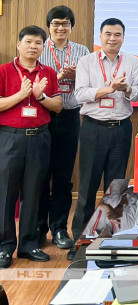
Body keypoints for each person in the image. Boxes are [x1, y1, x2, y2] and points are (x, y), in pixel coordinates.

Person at [71, 18, 138, 259]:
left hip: (121, 129)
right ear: (100, 36)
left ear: (123, 37)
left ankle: (111, 239)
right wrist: (109, 89)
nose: (113, 39)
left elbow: (137, 94)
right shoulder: (86, 61)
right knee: (88, 187)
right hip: (93, 128)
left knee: (116, 188)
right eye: (108, 34)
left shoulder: (132, 62)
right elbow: (80, 94)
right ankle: (80, 242)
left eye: (118, 34)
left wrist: (126, 90)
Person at [0, 25, 63, 267]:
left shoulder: (48, 72)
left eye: (38, 43)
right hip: (10, 138)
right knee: (6, 193)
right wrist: (20, 95)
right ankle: (5, 247)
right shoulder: (4, 71)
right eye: (28, 42)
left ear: (43, 47)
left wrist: (40, 96)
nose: (33, 46)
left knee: (34, 192)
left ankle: (28, 244)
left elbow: (58, 106)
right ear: (19, 44)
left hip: (39, 137)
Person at [37, 6, 89, 250]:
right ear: (49, 26)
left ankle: (59, 228)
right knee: (38, 176)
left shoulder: (82, 51)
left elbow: (91, 83)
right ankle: (38, 228)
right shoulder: (38, 49)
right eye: (56, 23)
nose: (61, 28)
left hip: (69, 117)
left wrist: (76, 75)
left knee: (63, 176)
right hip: (43, 115)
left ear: (72, 26)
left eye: (66, 23)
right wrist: (56, 77)